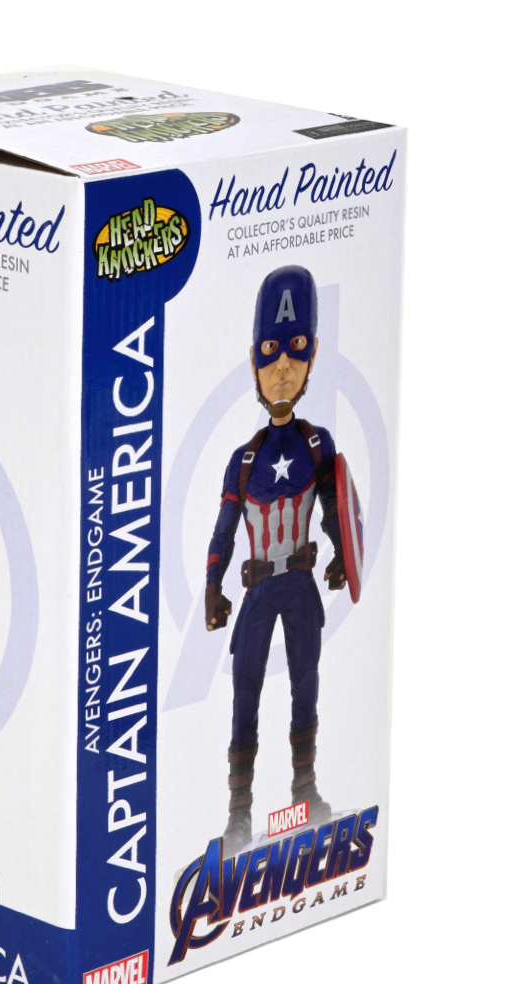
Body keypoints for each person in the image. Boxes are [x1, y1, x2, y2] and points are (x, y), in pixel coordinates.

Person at [205, 265, 348, 851]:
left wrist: (342, 555)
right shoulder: (244, 460)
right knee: (245, 692)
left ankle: (303, 791)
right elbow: (223, 531)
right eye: (270, 352)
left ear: (311, 356)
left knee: (305, 684)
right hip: (260, 592)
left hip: (301, 587)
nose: (282, 366)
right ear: (253, 361)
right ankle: (239, 814)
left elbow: (338, 510)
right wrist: (212, 588)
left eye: (295, 350)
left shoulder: (316, 445)